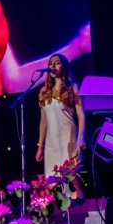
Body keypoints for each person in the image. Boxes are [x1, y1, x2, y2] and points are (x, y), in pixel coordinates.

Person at [35, 54, 86, 200]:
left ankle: (79, 207)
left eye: (57, 63)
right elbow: (43, 121)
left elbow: (81, 115)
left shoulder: (72, 87)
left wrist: (81, 138)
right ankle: (60, 212)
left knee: (72, 179)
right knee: (52, 184)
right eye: (50, 63)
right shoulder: (43, 92)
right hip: (51, 143)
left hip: (68, 138)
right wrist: (40, 147)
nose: (53, 66)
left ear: (63, 66)